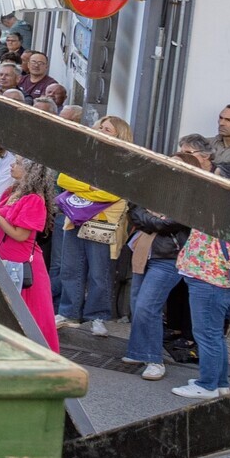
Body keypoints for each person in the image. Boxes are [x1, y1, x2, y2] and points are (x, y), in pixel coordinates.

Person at [123, 138, 212, 381]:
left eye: (175, 165)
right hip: (143, 252)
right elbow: (134, 210)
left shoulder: (193, 196)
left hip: (169, 257)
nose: (169, 168)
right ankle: (137, 351)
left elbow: (169, 224)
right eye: (168, 163)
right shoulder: (155, 188)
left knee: (147, 306)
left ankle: (154, 360)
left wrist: (149, 219)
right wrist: (152, 219)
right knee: (137, 305)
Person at [169, 159, 230, 398]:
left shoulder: (226, 209)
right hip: (215, 279)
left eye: (217, 175)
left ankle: (207, 386)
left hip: (212, 279)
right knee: (214, 334)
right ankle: (220, 382)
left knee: (207, 334)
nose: (211, 178)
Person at [51, 116, 132, 335]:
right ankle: (69, 313)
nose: (102, 131)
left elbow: (111, 194)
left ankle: (97, 316)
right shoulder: (84, 153)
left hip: (102, 222)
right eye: (101, 127)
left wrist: (82, 189)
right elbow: (63, 180)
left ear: (120, 135)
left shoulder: (124, 162)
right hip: (75, 218)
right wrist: (90, 188)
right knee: (70, 268)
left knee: (99, 272)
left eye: (108, 129)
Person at [0, 156, 56, 342]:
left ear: (31, 171)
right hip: (5, 259)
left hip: (21, 265)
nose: (12, 165)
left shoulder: (34, 199)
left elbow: (20, 235)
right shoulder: (12, 191)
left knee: (28, 318)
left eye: (18, 163)